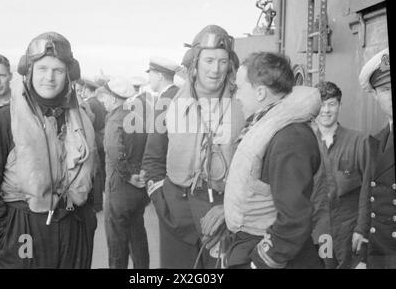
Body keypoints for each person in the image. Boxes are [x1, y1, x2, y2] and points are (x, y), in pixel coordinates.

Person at [0, 32, 97, 269]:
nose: (49, 77)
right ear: (29, 72)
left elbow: (92, 175)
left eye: (58, 70)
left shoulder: (81, 121)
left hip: (73, 229)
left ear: (68, 75)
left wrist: (87, 225)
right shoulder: (3, 120)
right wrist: (5, 233)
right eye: (42, 68)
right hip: (23, 229)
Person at [134, 25, 245, 268]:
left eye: (222, 61)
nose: (215, 69)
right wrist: (163, 204)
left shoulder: (243, 105)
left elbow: (255, 166)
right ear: (195, 64)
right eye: (208, 60)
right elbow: (153, 159)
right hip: (176, 212)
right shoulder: (169, 104)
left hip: (223, 214)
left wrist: (229, 209)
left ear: (230, 66)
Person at [224, 52, 322, 269]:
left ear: (260, 92)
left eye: (240, 88)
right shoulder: (267, 126)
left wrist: (258, 263)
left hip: (271, 255)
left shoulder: (290, 138)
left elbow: (295, 219)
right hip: (248, 244)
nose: (237, 96)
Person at [310, 81, 371, 268]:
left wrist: (362, 228)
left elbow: (368, 189)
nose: (326, 110)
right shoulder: (305, 142)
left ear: (340, 106)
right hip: (318, 230)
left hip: (350, 230)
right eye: (321, 104)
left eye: (332, 104)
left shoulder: (359, 141)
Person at [101, 77, 149, 269]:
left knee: (117, 241)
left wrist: (127, 175)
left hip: (120, 187)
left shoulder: (115, 119)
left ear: (114, 98)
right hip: (139, 187)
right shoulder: (137, 117)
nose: (103, 101)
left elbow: (114, 150)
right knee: (137, 235)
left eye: (105, 97)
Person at [357, 48, 395, 268]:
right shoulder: (376, 141)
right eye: (386, 88)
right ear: (375, 95)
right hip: (381, 254)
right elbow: (368, 197)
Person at [82, 79, 107, 212]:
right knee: (100, 172)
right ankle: (99, 201)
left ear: (87, 90)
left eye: (84, 89)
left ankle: (96, 204)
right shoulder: (98, 102)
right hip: (101, 139)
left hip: (94, 139)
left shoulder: (89, 104)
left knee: (95, 173)